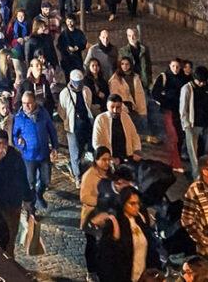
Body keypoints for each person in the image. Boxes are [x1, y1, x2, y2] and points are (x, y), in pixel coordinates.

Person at [93, 187, 159, 282]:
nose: (137, 207)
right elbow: (107, 257)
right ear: (123, 204)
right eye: (132, 204)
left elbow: (150, 246)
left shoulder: (141, 219)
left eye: (138, 203)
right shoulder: (115, 224)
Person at [12, 91, 60, 212]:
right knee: (30, 182)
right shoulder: (19, 118)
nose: (26, 106)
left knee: (45, 180)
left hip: (44, 154)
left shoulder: (43, 114)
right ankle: (32, 204)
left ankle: (39, 194)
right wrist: (19, 142)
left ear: (34, 102)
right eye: (23, 103)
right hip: (29, 157)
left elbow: (51, 130)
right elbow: (14, 135)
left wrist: (55, 147)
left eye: (29, 103)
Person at [58, 69, 95, 185]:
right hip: (72, 126)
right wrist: (67, 121)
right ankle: (77, 175)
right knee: (75, 151)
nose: (78, 85)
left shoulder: (86, 90)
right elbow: (62, 110)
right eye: (76, 82)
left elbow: (88, 104)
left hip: (85, 123)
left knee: (89, 148)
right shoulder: (64, 93)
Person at [79, 147, 112, 276]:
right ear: (96, 160)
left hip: (107, 216)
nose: (107, 162)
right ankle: (91, 271)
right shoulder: (89, 175)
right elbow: (84, 197)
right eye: (103, 159)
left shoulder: (110, 173)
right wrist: (101, 201)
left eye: (109, 159)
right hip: (92, 216)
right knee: (92, 244)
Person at [180, 66, 208, 176]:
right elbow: (183, 108)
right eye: (200, 81)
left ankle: (205, 171)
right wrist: (186, 125)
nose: (202, 84)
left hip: (205, 123)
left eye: (204, 81)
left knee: (205, 149)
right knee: (193, 153)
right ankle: (197, 175)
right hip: (192, 124)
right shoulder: (187, 88)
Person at [152, 58, 185, 172]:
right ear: (169, 66)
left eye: (177, 66)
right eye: (173, 66)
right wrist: (165, 100)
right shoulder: (164, 77)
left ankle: (175, 159)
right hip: (168, 111)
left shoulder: (183, 78)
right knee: (173, 136)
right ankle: (175, 163)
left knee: (179, 136)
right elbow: (155, 93)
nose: (175, 69)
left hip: (180, 111)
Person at [92, 94, 142, 163]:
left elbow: (134, 135)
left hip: (127, 156)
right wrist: (109, 158)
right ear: (107, 106)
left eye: (118, 107)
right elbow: (97, 143)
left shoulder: (126, 117)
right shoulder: (101, 119)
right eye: (112, 107)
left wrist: (137, 151)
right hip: (109, 159)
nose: (115, 110)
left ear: (121, 106)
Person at [109, 55, 148, 135]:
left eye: (127, 64)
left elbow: (140, 94)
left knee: (140, 130)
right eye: (122, 64)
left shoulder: (135, 77)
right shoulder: (115, 78)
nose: (125, 66)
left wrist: (142, 109)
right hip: (124, 107)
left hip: (136, 106)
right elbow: (115, 94)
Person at [57, 16, 87, 81]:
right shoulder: (63, 34)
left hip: (77, 59)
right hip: (67, 59)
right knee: (68, 77)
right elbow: (59, 46)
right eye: (68, 21)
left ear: (74, 22)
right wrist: (67, 48)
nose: (69, 23)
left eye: (71, 21)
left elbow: (84, 43)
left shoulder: (79, 33)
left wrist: (78, 47)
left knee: (79, 76)